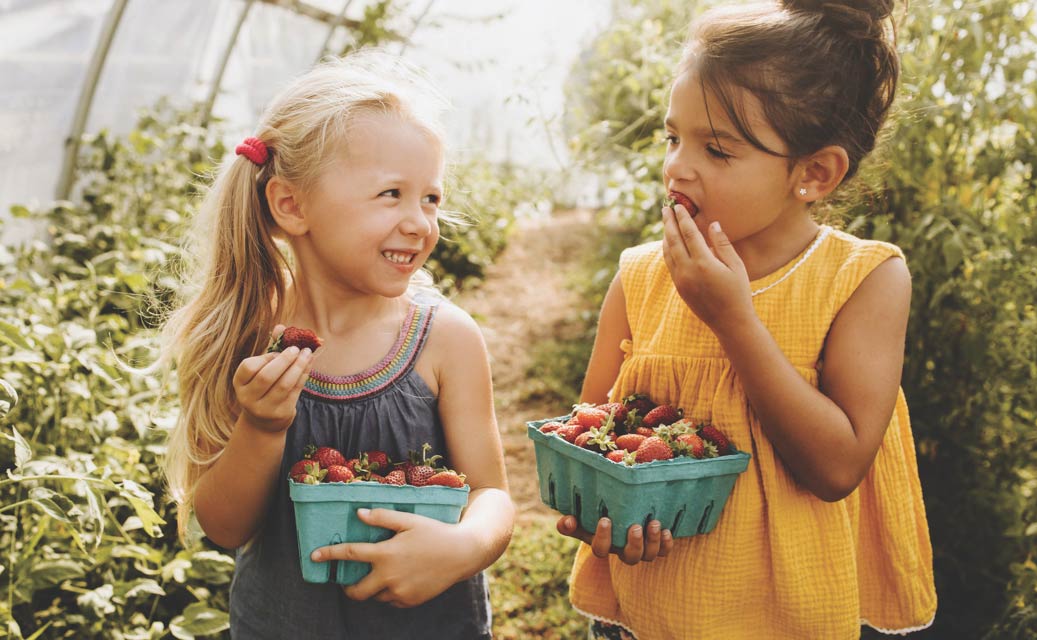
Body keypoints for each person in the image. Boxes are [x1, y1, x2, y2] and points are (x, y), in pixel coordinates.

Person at [555, 1, 936, 638]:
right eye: (673, 137)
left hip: (794, 616)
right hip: (652, 610)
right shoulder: (642, 277)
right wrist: (595, 511)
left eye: (718, 150)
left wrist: (734, 321)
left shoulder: (863, 281)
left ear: (814, 173)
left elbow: (837, 468)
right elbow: (592, 441)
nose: (678, 165)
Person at [160, 50, 514, 639]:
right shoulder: (240, 339)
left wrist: (463, 547)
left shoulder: (445, 340)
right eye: (390, 194)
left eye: (430, 197)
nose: (420, 223)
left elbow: (492, 493)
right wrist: (263, 427)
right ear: (292, 205)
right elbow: (223, 526)